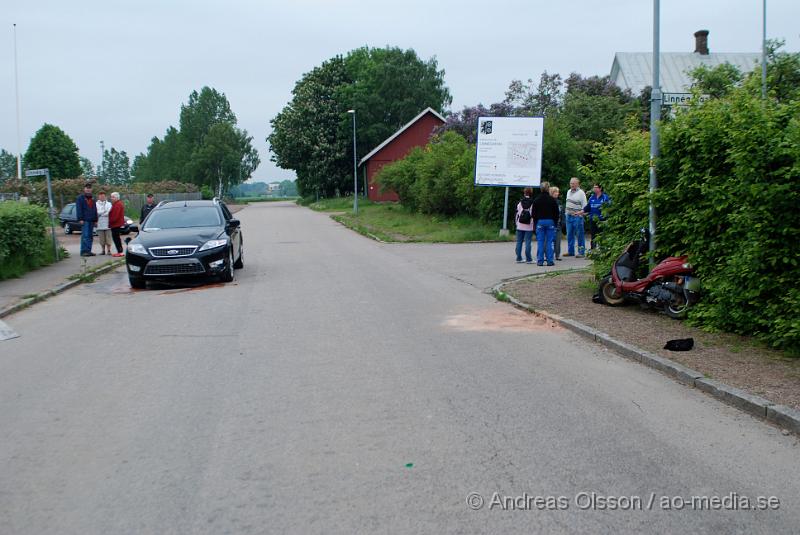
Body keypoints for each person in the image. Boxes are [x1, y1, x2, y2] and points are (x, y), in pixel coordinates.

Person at [532, 184, 560, 266]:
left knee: (540, 242)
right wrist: (554, 222)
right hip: (550, 221)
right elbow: (556, 213)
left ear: (541, 189)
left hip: (540, 221)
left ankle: (540, 261)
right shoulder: (552, 200)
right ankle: (550, 260)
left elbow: (533, 214)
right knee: (549, 241)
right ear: (548, 189)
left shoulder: (537, 200)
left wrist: (536, 222)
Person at [584, 183, 611, 251]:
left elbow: (609, 208)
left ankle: (603, 250)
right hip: (592, 219)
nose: (594, 189)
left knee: (602, 235)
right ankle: (593, 250)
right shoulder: (592, 197)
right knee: (593, 236)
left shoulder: (605, 197)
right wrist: (580, 212)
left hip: (602, 220)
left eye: (596, 187)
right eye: (594, 187)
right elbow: (587, 208)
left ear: (600, 188)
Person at [564, 177, 587, 258]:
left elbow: (585, 206)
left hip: (577, 216)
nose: (572, 185)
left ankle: (581, 252)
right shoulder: (568, 191)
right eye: (571, 183)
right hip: (568, 216)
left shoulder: (581, 193)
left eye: (573, 183)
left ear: (578, 184)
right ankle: (571, 251)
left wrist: (581, 214)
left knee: (579, 234)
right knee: (569, 234)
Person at [75, 182, 97, 257]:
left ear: (91, 189)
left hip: (91, 220)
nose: (88, 189)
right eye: (87, 188)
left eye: (89, 188)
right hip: (84, 220)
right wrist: (80, 218)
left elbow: (95, 209)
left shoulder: (93, 198)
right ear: (84, 189)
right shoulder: (80, 198)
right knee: (85, 235)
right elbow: (79, 209)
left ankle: (88, 250)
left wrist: (95, 219)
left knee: (90, 236)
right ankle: (84, 251)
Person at [514, 187, 535, 264]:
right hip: (528, 226)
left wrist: (517, 224)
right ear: (531, 193)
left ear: (524, 193)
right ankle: (528, 259)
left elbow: (517, 214)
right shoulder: (533, 203)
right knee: (528, 242)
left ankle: (518, 258)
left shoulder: (520, 202)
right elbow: (533, 215)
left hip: (520, 225)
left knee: (519, 242)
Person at [95, 191, 113, 255]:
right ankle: (103, 250)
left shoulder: (109, 204)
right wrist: (103, 211)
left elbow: (109, 212)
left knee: (108, 238)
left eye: (103, 196)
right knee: (101, 238)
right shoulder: (96, 204)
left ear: (105, 197)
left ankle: (109, 250)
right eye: (101, 196)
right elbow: (97, 212)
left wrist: (102, 213)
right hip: (99, 224)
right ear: (98, 197)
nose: (102, 197)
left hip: (108, 223)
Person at [108, 192, 126, 257]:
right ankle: (119, 251)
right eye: (111, 197)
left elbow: (115, 216)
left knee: (116, 238)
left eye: (113, 197)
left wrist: (110, 221)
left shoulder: (118, 204)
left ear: (116, 198)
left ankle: (120, 251)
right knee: (116, 238)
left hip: (116, 224)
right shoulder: (116, 204)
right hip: (115, 224)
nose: (111, 198)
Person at [550, 186, 564, 261]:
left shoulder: (559, 202)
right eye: (555, 192)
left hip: (558, 224)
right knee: (550, 240)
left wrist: (562, 222)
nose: (557, 193)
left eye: (558, 192)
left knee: (558, 241)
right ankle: (550, 254)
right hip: (551, 223)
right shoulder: (549, 202)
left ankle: (557, 255)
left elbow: (562, 212)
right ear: (552, 193)